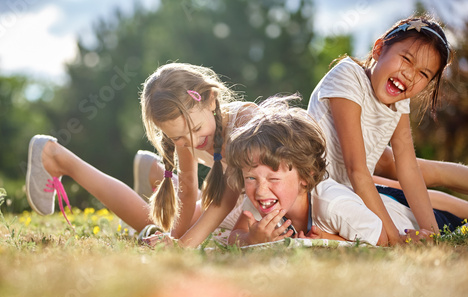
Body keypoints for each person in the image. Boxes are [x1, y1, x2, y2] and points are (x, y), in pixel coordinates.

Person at [26, 63, 257, 247]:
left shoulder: (246, 121)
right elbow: (187, 191)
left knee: (194, 230)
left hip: (245, 197)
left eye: (196, 130)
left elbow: (227, 195)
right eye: (177, 138)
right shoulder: (185, 133)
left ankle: (152, 172)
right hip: (232, 200)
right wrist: (172, 238)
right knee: (156, 227)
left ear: (211, 100)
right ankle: (57, 157)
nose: (192, 142)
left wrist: (181, 245)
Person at [225, 96, 464, 247]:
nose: (260, 189)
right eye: (250, 177)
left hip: (414, 220)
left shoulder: (333, 205)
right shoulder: (261, 197)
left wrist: (330, 240)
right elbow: (237, 233)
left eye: (273, 178)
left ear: (305, 179)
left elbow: (386, 242)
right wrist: (251, 239)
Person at [307, 15, 458, 245]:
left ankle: (347, 235)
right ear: (379, 49)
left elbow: (408, 168)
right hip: (317, 190)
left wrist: (431, 233)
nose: (410, 74)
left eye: (423, 74)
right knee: (359, 215)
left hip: (354, 194)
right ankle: (330, 233)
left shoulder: (399, 102)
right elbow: (356, 169)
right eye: (406, 59)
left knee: (411, 219)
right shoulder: (348, 76)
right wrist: (395, 239)